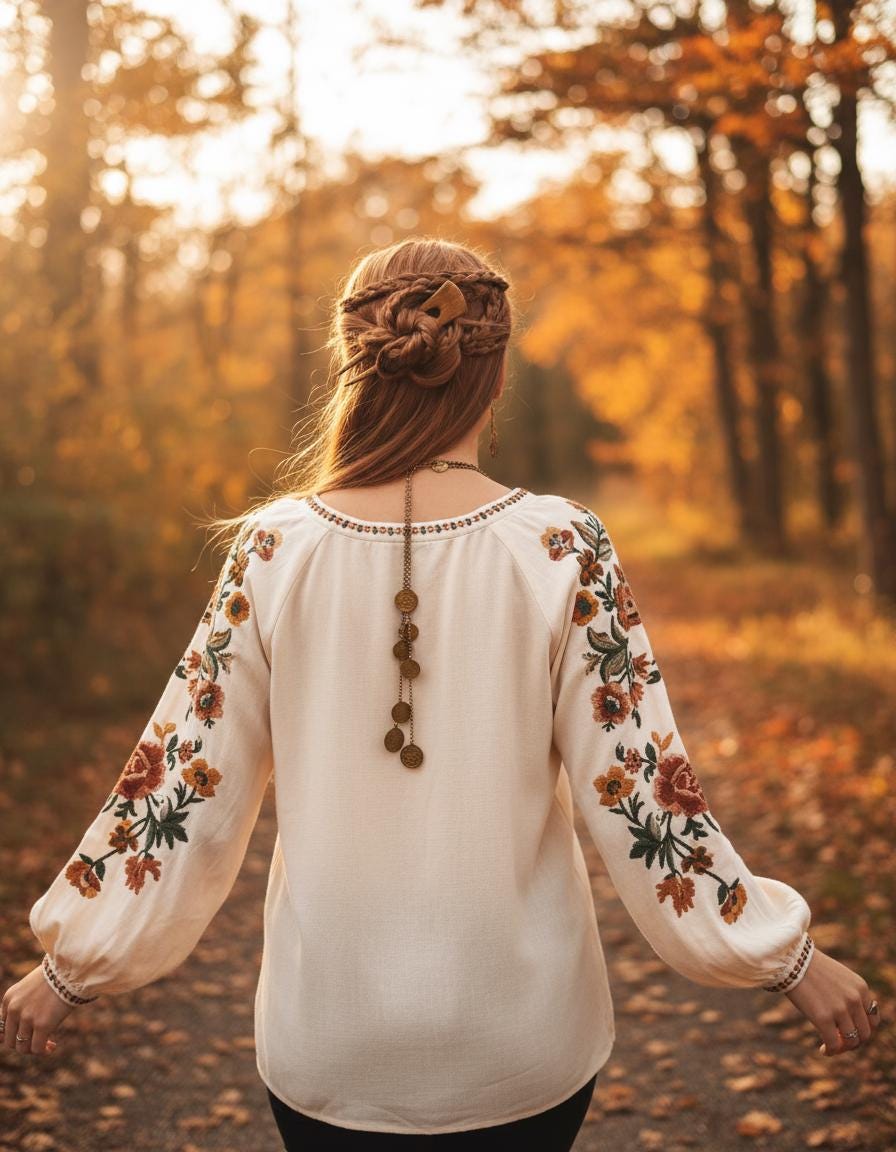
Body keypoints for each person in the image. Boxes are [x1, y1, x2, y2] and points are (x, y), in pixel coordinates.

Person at [2, 237, 881, 1150]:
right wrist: (785, 960)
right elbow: (647, 796)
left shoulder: (272, 550)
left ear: (354, 366)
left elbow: (185, 783)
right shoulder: (562, 546)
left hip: (329, 1041)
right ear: (493, 378)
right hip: (522, 1037)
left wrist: (71, 968)